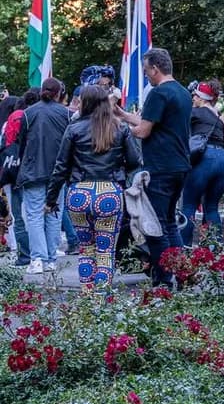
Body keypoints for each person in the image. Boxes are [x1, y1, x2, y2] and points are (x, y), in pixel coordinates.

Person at [45, 85, 142, 287]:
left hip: (79, 193)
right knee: (105, 251)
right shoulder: (120, 128)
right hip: (109, 193)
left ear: (85, 103)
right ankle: (100, 300)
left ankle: (87, 297)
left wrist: (51, 200)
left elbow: (60, 167)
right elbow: (134, 161)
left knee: (86, 249)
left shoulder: (73, 129)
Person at [118, 48, 192, 284]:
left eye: (146, 70)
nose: (146, 75)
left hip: (160, 167)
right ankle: (182, 274)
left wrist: (118, 130)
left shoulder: (158, 93)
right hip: (179, 165)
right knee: (170, 222)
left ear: (155, 69)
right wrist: (121, 114)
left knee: (155, 225)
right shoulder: (182, 92)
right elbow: (152, 122)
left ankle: (162, 279)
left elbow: (143, 130)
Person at [17, 78, 70, 273]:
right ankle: (50, 259)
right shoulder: (66, 113)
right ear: (59, 93)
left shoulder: (29, 113)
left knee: (34, 215)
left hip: (33, 171)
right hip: (58, 172)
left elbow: (21, 143)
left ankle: (37, 259)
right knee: (54, 214)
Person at [180, 80, 224, 245]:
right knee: (211, 207)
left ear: (202, 98)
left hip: (204, 159)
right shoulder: (221, 117)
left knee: (189, 205)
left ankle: (182, 252)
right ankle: (213, 251)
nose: (193, 98)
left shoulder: (194, 112)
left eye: (195, 95)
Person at [2, 89, 38, 266]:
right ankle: (32, 251)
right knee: (30, 213)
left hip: (9, 171)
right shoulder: (27, 117)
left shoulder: (7, 122)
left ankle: (21, 251)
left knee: (17, 214)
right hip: (27, 170)